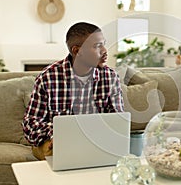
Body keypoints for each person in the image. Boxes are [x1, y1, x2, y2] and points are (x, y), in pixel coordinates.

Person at [22, 22, 124, 160]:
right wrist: (56, 133)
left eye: (103, 44)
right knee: (60, 151)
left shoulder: (110, 77)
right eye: (97, 46)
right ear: (77, 51)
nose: (105, 50)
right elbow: (31, 123)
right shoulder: (48, 77)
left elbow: (116, 120)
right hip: (55, 141)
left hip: (95, 140)